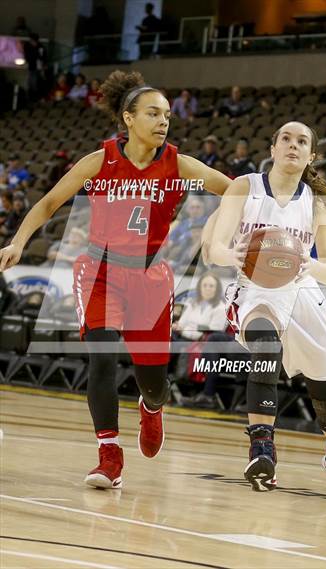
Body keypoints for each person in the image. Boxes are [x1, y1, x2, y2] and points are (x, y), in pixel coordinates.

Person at [0, 69, 232, 490]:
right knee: (102, 358)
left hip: (151, 275)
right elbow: (50, 202)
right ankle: (109, 455)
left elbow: (234, 191)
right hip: (100, 270)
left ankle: (152, 406)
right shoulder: (100, 160)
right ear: (128, 118)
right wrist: (17, 242)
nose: (163, 121)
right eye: (153, 113)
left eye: (166, 115)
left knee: (154, 382)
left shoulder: (179, 164)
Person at [206, 121, 326, 500]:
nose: (293, 145)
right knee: (265, 343)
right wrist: (234, 255)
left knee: (324, 386)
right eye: (285, 139)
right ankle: (262, 445)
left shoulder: (316, 201)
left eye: (302, 142)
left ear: (311, 155)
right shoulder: (244, 186)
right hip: (253, 288)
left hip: (301, 287)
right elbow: (215, 248)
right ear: (273, 147)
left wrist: (306, 264)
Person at [23, 33, 47, 103]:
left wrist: (43, 64)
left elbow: (43, 57)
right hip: (31, 66)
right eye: (31, 41)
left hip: (38, 67)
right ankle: (31, 98)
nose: (32, 42)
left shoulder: (40, 47)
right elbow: (27, 56)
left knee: (36, 82)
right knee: (31, 82)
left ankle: (38, 97)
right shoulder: (27, 45)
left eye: (33, 41)